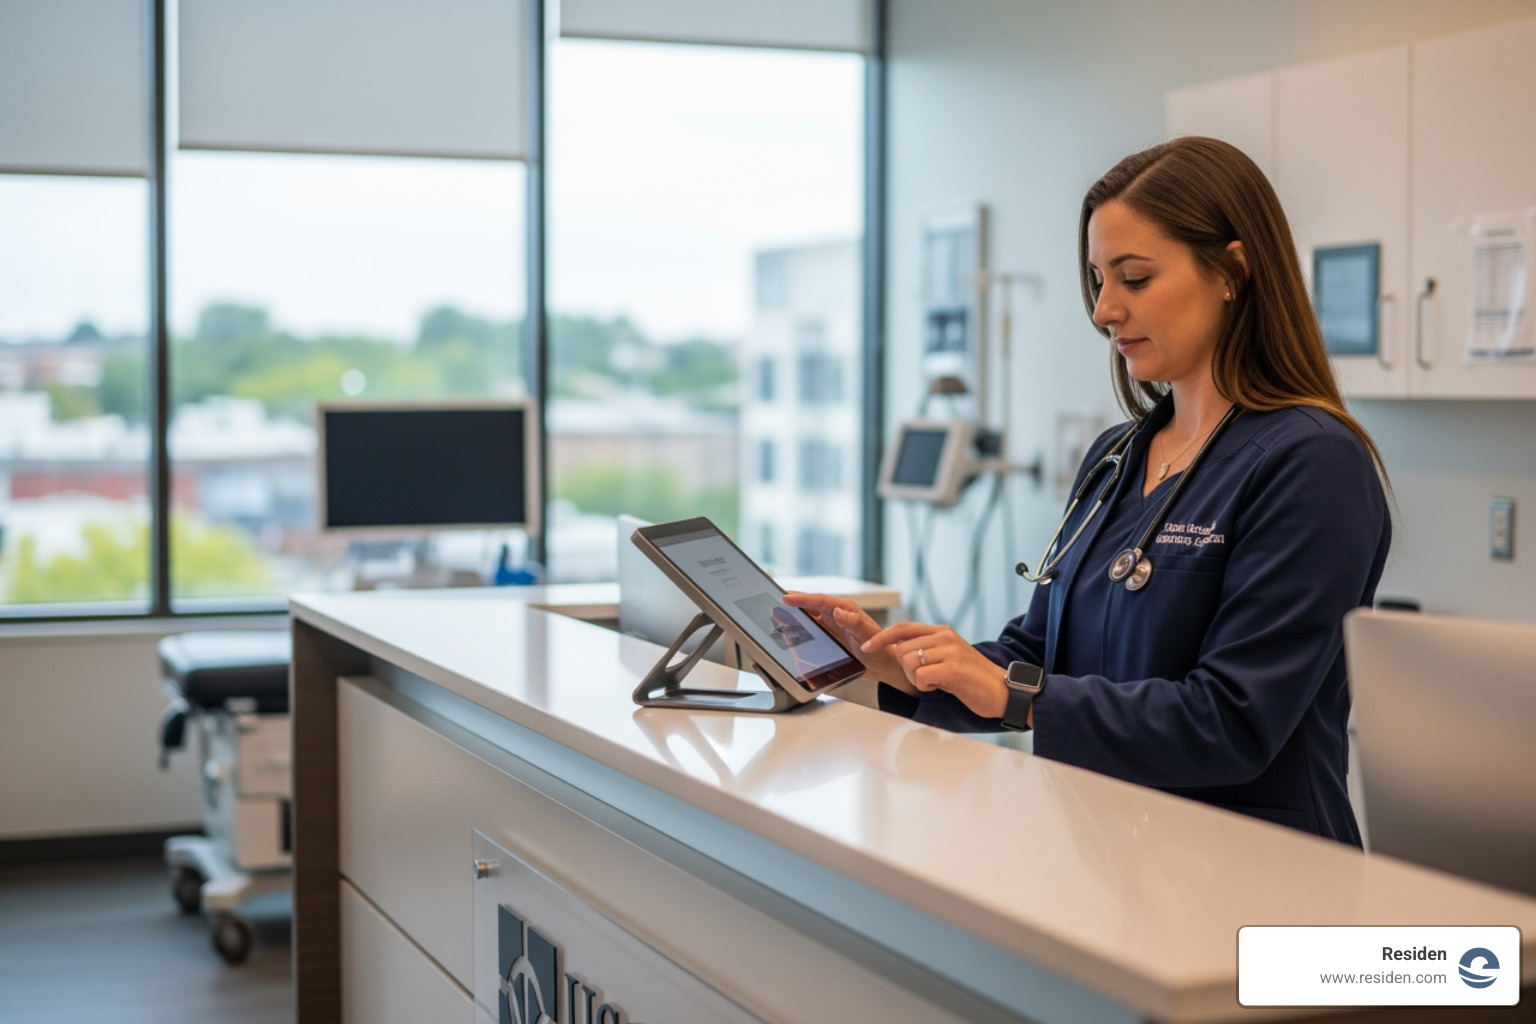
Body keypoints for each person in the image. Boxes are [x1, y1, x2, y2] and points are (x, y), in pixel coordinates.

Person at [787, 136, 1391, 846]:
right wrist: (910, 666)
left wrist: (1016, 695)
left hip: (1254, 867)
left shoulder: (1312, 462)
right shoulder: (1116, 457)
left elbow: (1233, 720)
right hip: (1110, 857)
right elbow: (1037, 653)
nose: (1104, 310)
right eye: (1098, 279)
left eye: (1133, 279)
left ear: (1232, 270)